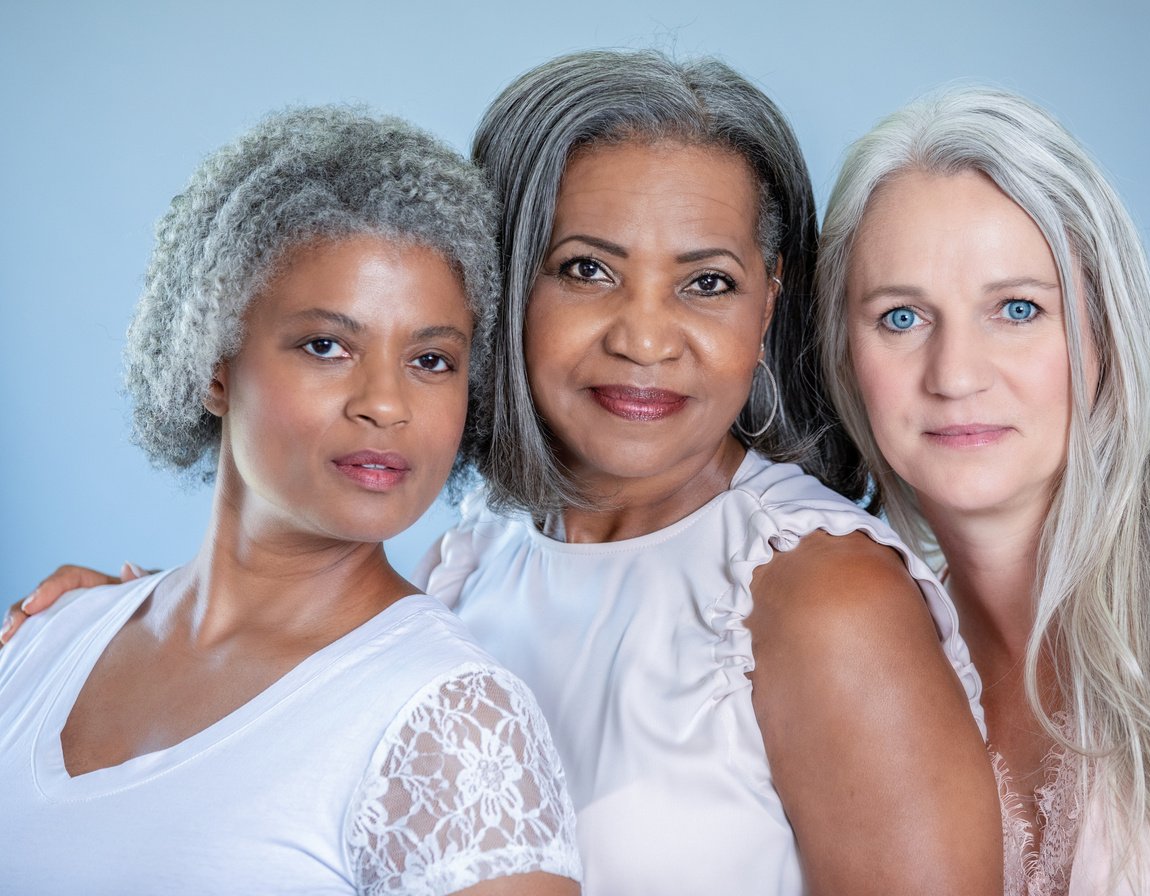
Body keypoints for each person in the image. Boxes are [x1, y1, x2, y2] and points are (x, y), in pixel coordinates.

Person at [6, 52, 1003, 895]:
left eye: (708, 283)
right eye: (586, 269)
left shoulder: (825, 595)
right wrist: (116, 635)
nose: (647, 336)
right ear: (499, 284)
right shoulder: (468, 562)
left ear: (768, 301)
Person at [0, 107, 580, 895]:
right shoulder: (46, 640)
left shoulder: (452, 722)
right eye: (326, 346)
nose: (386, 403)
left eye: (432, 359)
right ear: (213, 364)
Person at [814, 85, 1150, 895]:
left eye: (1018, 309)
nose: (955, 375)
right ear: (843, 351)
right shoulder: (893, 675)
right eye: (900, 318)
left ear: (1103, 329)